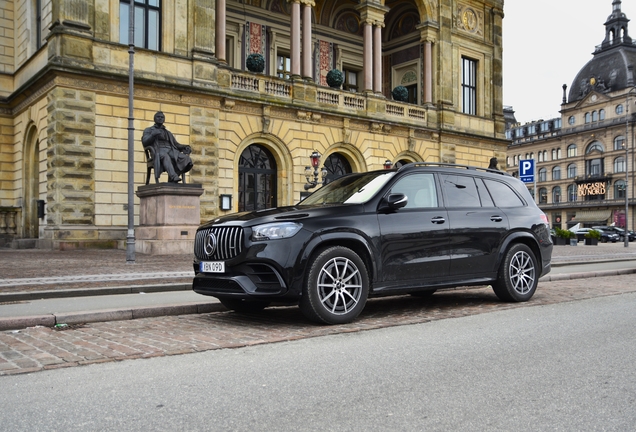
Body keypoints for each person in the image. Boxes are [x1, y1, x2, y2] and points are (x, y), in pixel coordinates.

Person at [141, 111, 193, 183]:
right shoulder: (149, 130)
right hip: (158, 151)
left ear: (164, 119)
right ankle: (173, 176)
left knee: (185, 158)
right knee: (165, 156)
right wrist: (152, 135)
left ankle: (175, 175)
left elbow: (176, 144)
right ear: (154, 119)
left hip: (170, 150)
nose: (160, 118)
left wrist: (185, 147)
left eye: (162, 117)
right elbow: (144, 142)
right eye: (158, 117)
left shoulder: (167, 132)